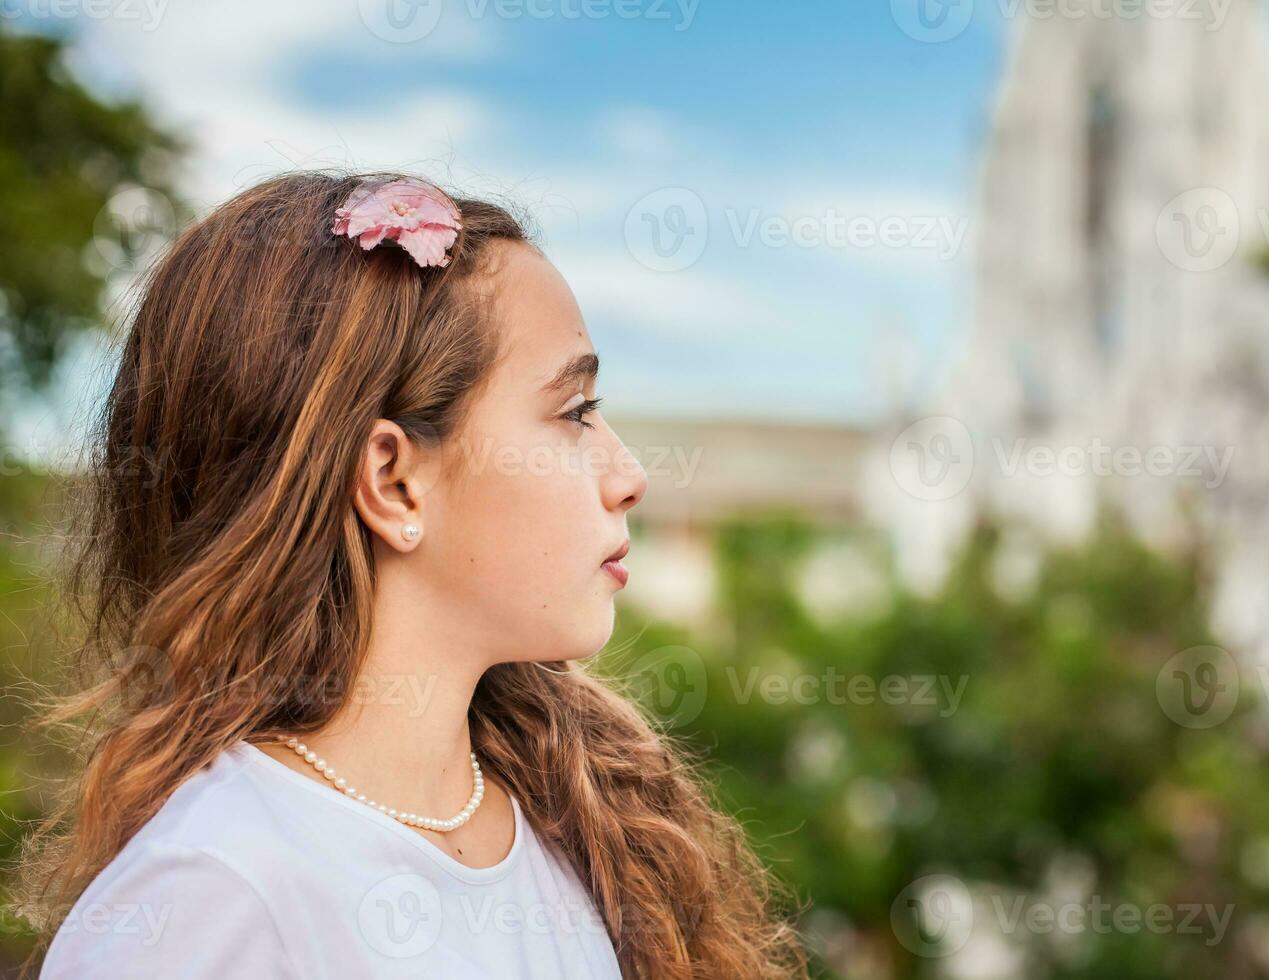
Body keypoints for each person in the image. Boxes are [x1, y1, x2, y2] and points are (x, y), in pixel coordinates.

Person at [18, 172, 807, 978]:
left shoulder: (585, 831)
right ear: (394, 480)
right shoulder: (213, 899)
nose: (630, 472)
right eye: (573, 412)